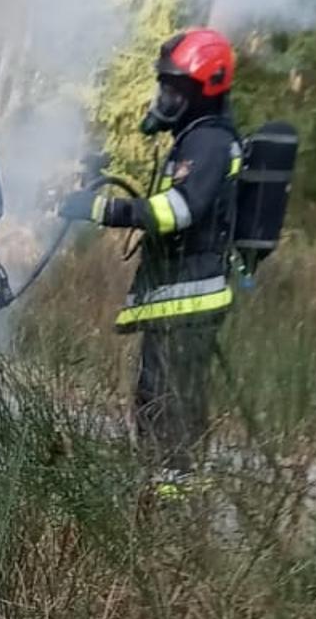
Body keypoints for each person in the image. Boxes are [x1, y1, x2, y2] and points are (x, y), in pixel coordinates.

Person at [59, 28, 243, 499]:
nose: (164, 97)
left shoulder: (208, 144)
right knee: (155, 402)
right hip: (175, 299)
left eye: (174, 88)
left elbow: (176, 212)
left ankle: (174, 508)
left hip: (189, 299)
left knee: (170, 407)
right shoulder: (194, 139)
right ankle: (168, 494)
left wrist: (105, 210)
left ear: (204, 90)